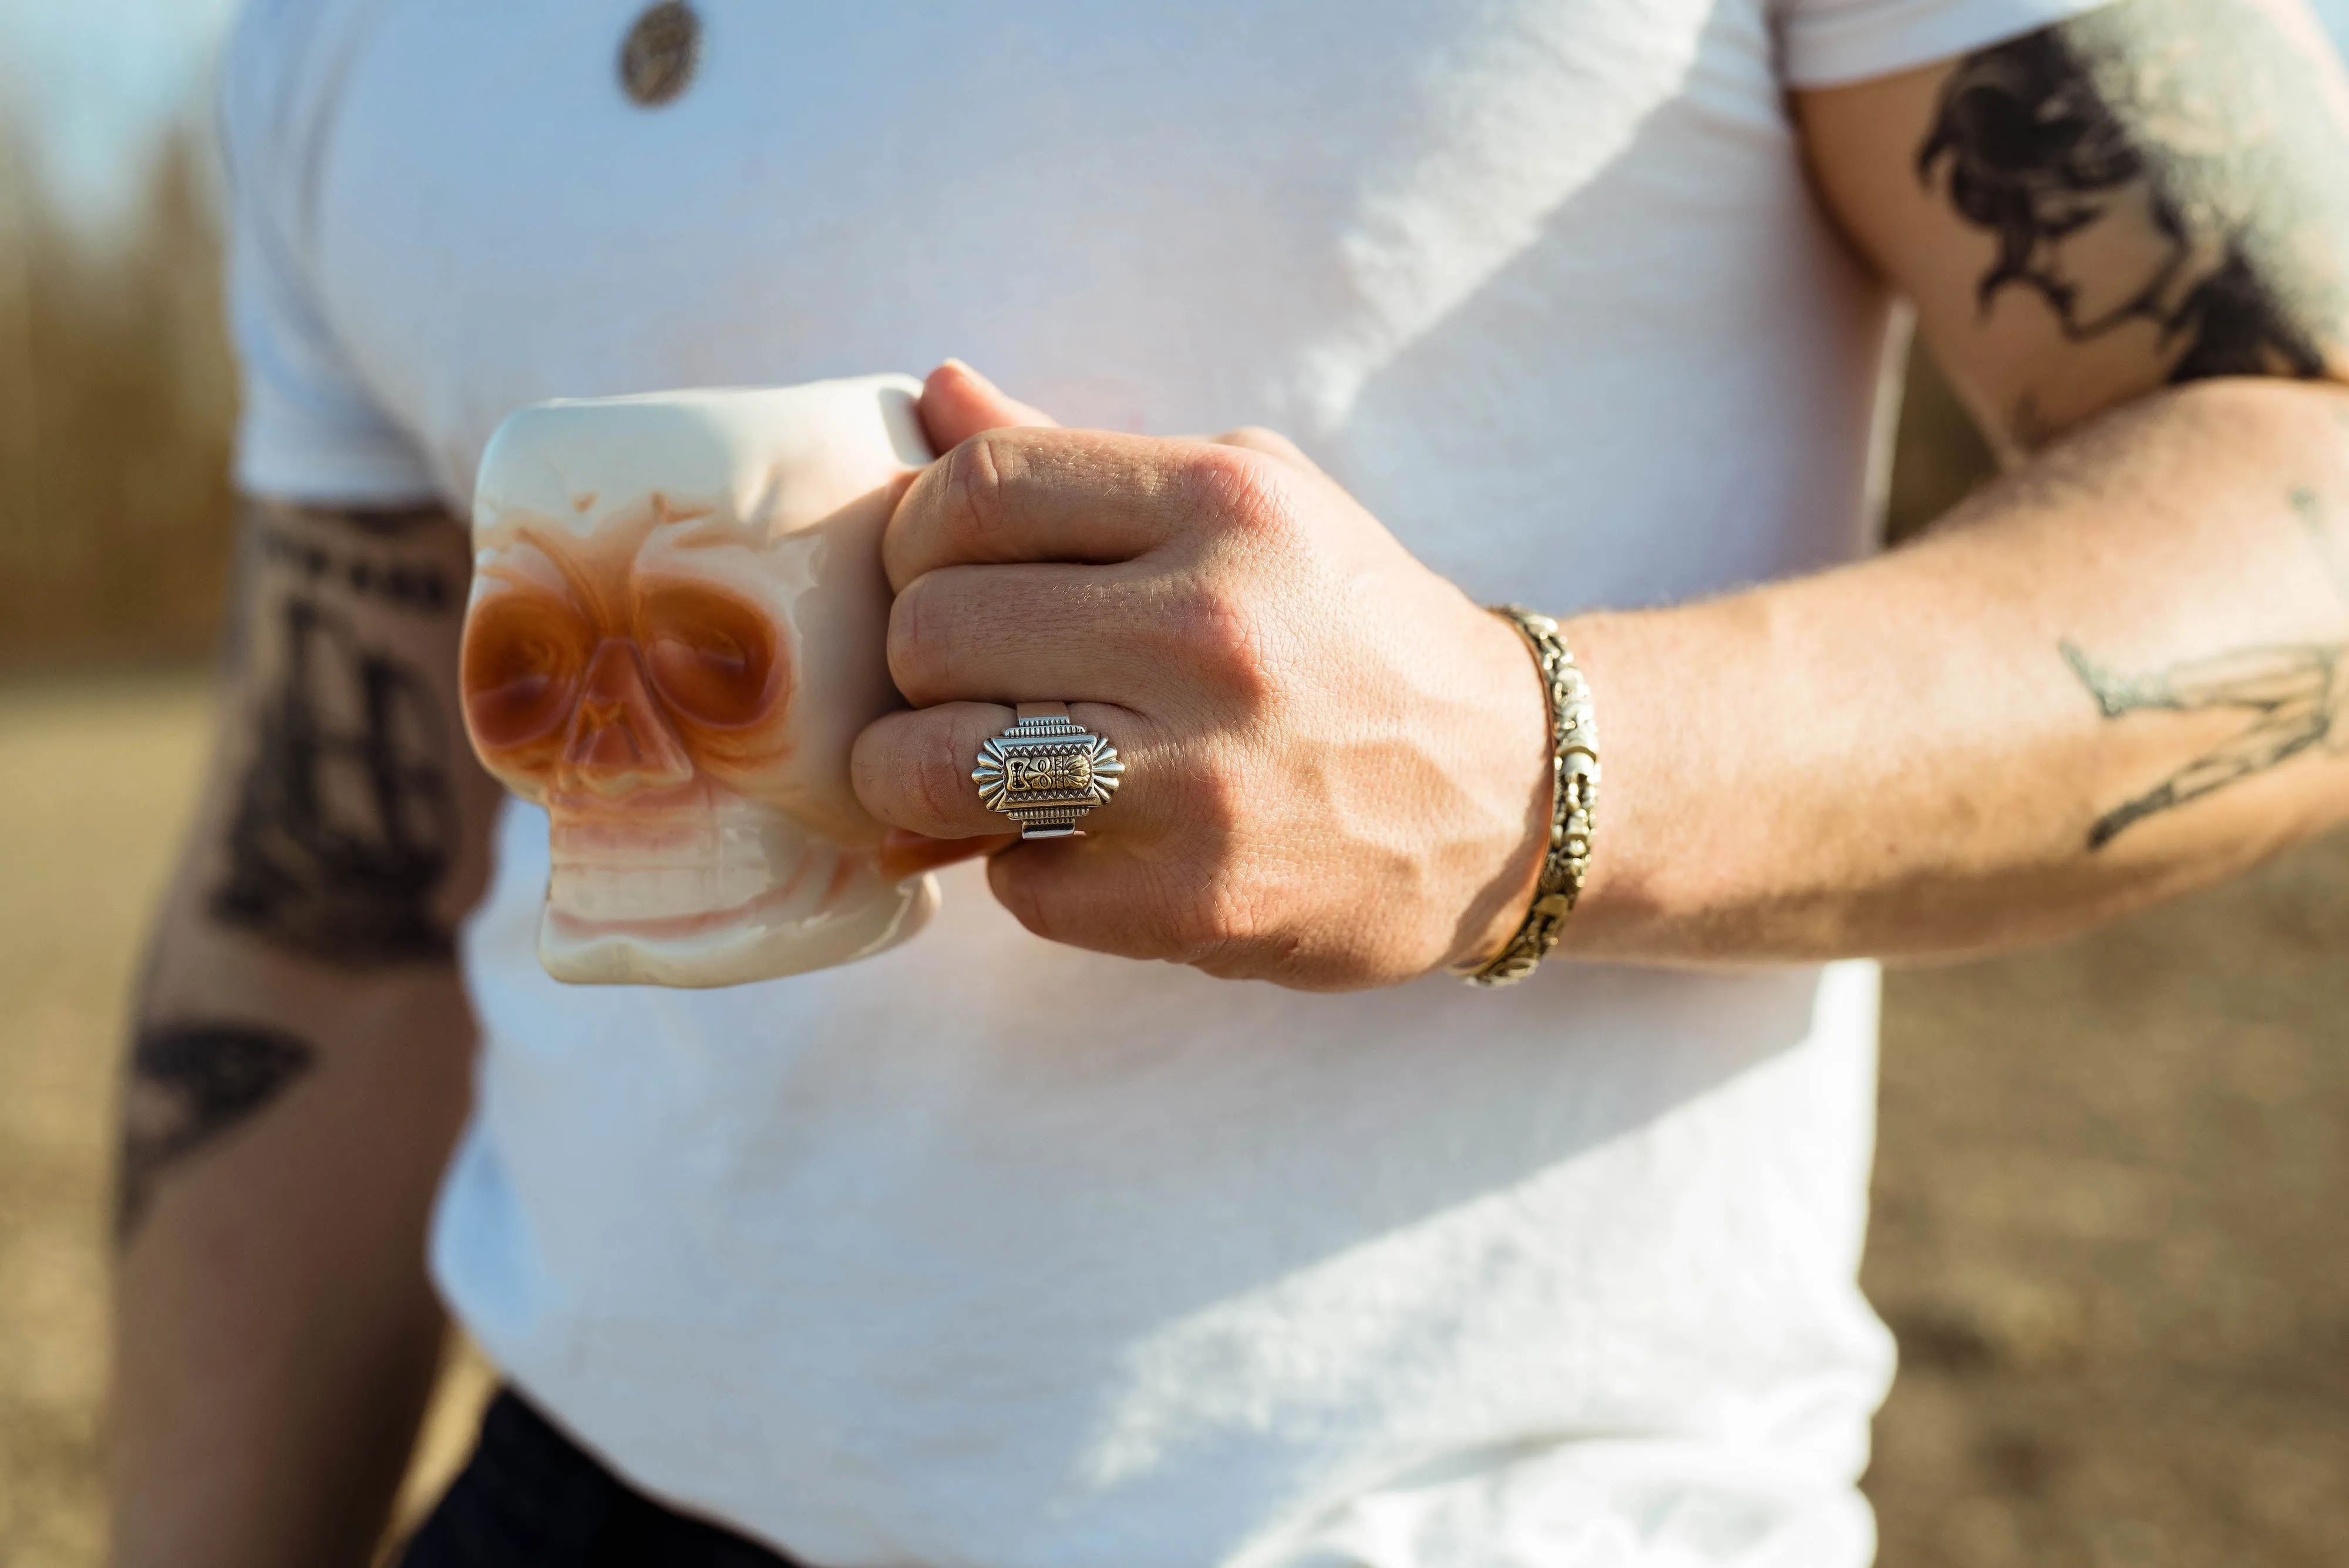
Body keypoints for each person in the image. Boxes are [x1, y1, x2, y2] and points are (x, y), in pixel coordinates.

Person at [113, 0, 2349, 1563]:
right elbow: (330, 908)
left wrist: (1521, 765)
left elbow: (2304, 480)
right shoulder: (336, 29)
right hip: (580, 1486)